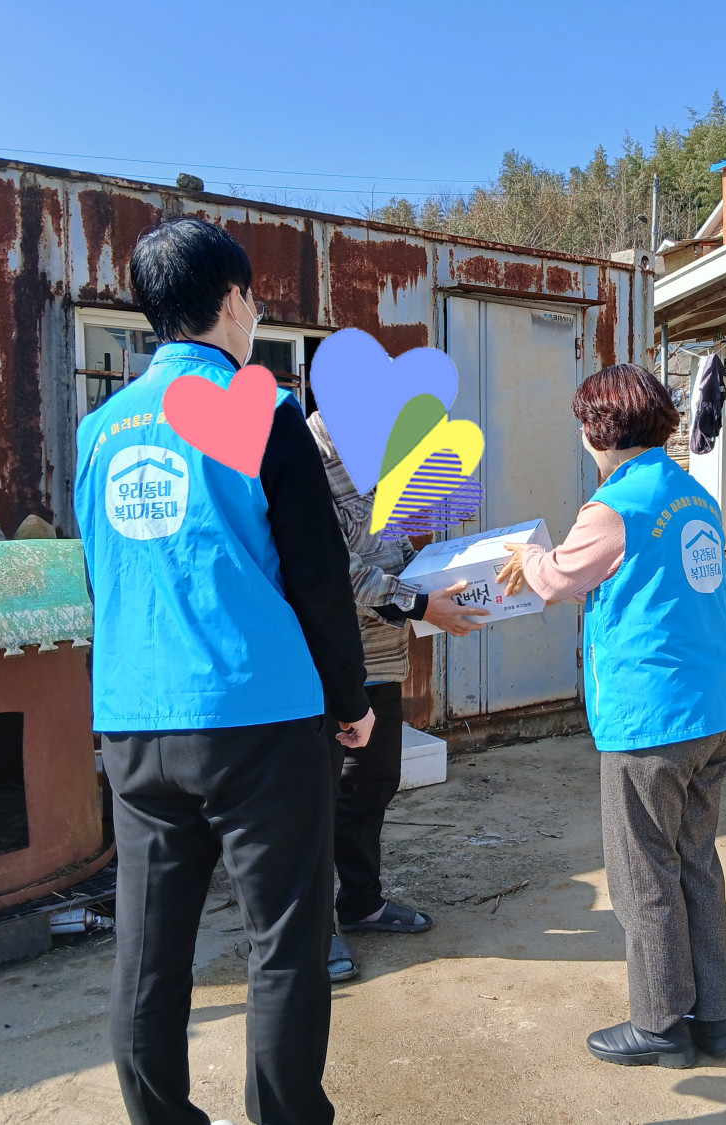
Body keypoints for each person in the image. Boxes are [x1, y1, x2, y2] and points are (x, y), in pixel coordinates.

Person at [75, 217, 373, 1125]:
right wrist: (351, 699)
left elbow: (102, 573)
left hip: (133, 720)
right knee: (283, 938)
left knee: (148, 949)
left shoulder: (99, 430)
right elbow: (318, 573)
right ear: (235, 300)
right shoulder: (262, 410)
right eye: (253, 299)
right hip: (256, 715)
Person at [496, 363, 726, 1070]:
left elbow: (553, 579)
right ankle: (714, 1017)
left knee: (644, 873)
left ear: (597, 431)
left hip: (652, 718)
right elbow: (652, 580)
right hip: (715, 710)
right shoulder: (694, 495)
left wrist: (527, 554)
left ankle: (661, 1022)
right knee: (697, 863)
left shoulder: (613, 506)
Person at [305, 415, 489, 979]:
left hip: (379, 659)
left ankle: (361, 902)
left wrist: (451, 576)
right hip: (324, 664)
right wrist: (420, 603)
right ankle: (311, 932)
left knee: (372, 782)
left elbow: (392, 552)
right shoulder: (305, 459)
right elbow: (332, 570)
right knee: (312, 800)